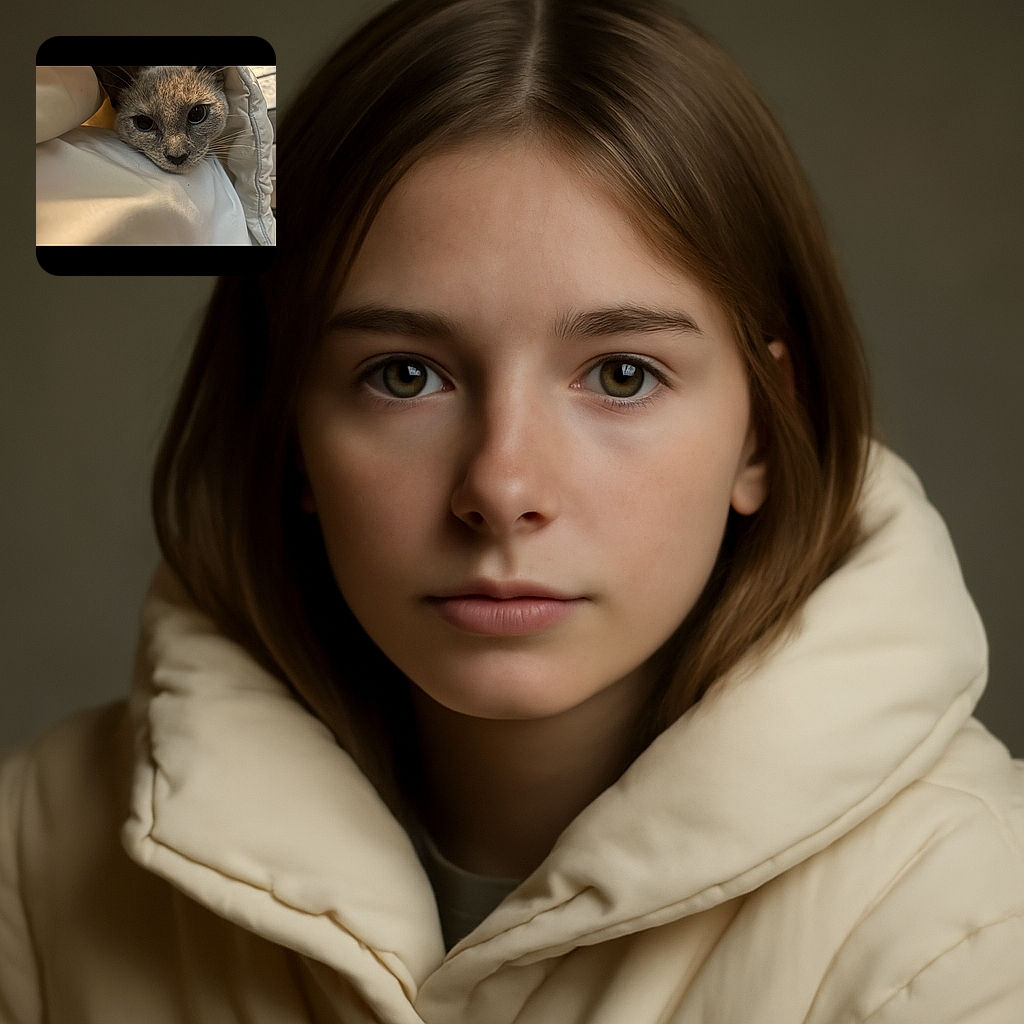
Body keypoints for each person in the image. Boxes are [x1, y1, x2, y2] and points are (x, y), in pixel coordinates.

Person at [3, 0, 1022, 1020]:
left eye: (621, 375)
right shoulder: (39, 851)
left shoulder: (975, 920)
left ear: (760, 432)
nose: (501, 488)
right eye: (403, 375)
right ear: (286, 428)